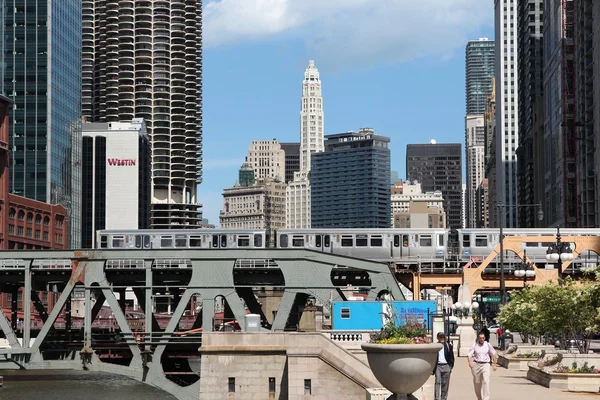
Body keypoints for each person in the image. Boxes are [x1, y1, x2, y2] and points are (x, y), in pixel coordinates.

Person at [467, 331, 497, 400]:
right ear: (478, 338)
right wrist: (470, 362)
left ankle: (486, 398)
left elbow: (493, 353)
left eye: (483, 338)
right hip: (476, 365)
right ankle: (479, 398)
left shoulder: (488, 344)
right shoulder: (475, 345)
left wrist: (494, 364)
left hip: (485, 364)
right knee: (477, 383)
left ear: (485, 338)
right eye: (480, 338)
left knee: (486, 381)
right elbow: (469, 354)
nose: (482, 339)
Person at [432, 332, 454, 400]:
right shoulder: (435, 346)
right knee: (437, 382)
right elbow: (432, 358)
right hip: (438, 366)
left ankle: (443, 398)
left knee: (445, 384)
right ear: (437, 338)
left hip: (446, 366)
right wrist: (432, 369)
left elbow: (451, 357)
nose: (442, 338)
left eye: (443, 337)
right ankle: (436, 398)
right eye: (440, 337)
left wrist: (450, 367)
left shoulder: (448, 346)